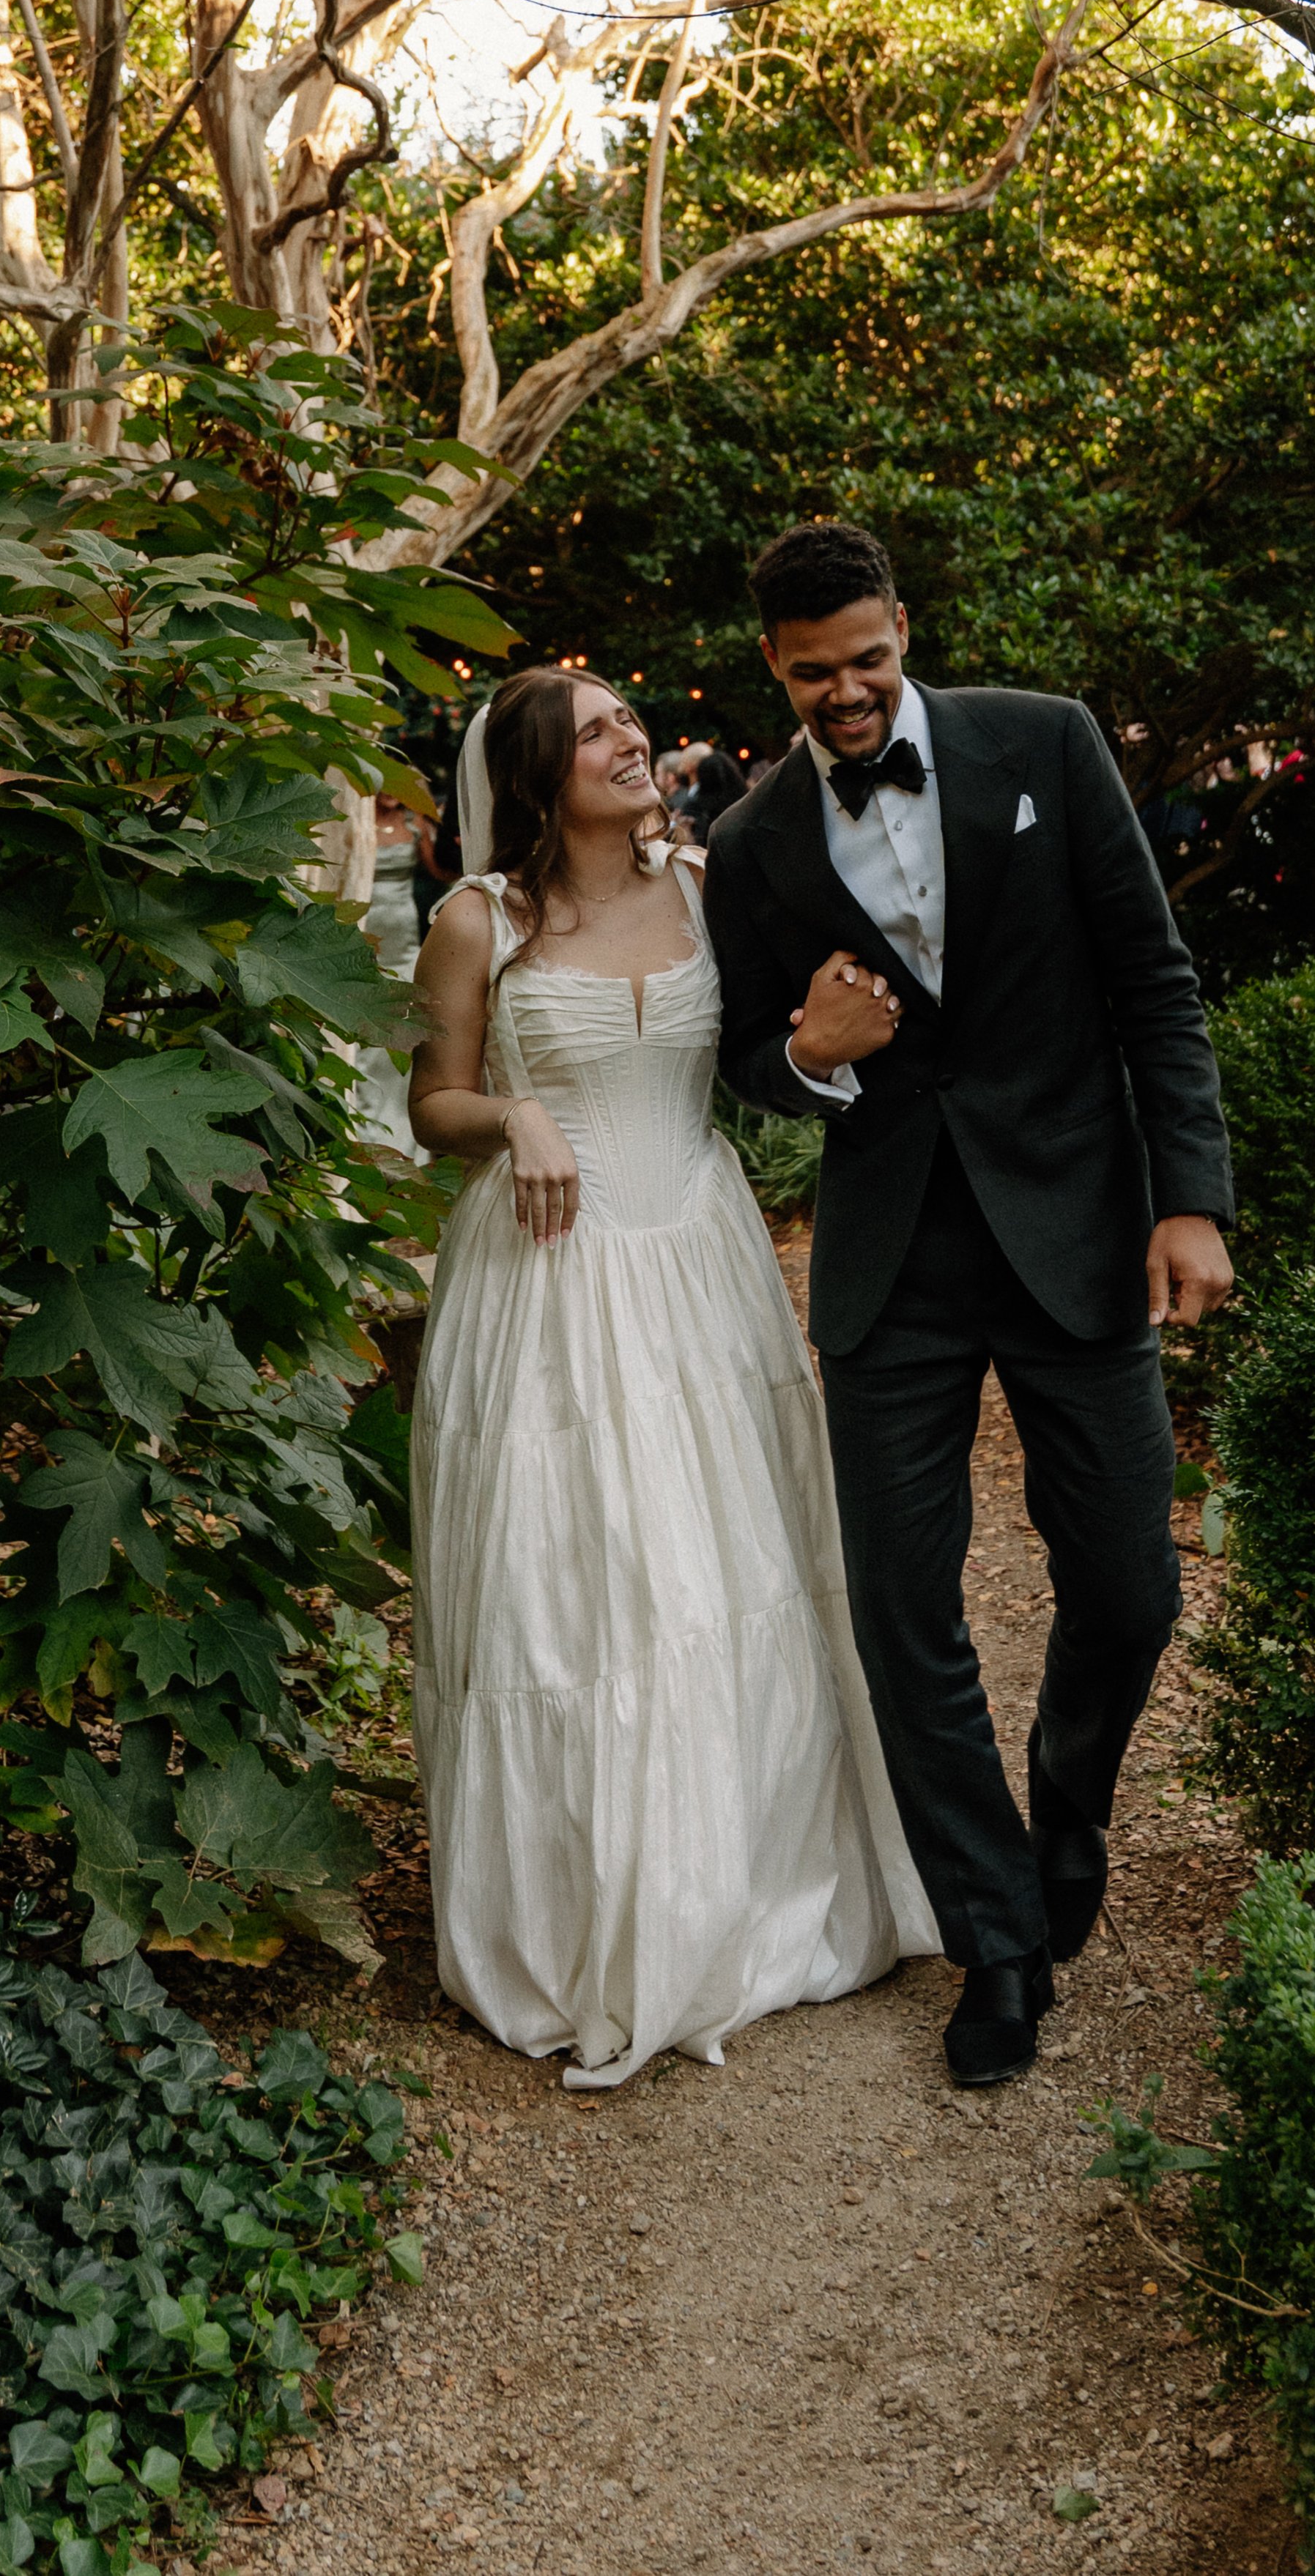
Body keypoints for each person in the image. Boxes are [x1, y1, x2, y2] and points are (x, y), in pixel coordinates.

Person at [703, 522, 1235, 2089]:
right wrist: (809, 1046)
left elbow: (1151, 978)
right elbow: (746, 1062)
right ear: (774, 671)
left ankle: (1067, 1800)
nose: (848, 694)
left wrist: (1186, 1196)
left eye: (868, 660)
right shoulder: (748, 846)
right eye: (815, 676)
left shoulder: (1043, 744)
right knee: (900, 1612)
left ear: (901, 630)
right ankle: (993, 1935)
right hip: (892, 1266)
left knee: (1130, 1586)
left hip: (1075, 1229)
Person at [404, 667, 935, 2090]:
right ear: (533, 775)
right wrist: (514, 1114)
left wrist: (821, 1033)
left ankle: (746, 1885)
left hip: (699, 1258)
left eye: (628, 720)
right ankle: (583, 1912)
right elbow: (427, 1101)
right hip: (546, 1278)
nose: (630, 739)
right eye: (594, 732)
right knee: (574, 1585)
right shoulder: (479, 923)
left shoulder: (712, 888)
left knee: (727, 1568)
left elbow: (773, 1045)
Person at [353, 792, 431, 1159]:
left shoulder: (415, 824)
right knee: (368, 1044)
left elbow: (443, 870)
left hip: (403, 939)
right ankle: (365, 1128)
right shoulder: (354, 819)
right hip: (365, 933)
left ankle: (404, 1140)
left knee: (400, 1037)